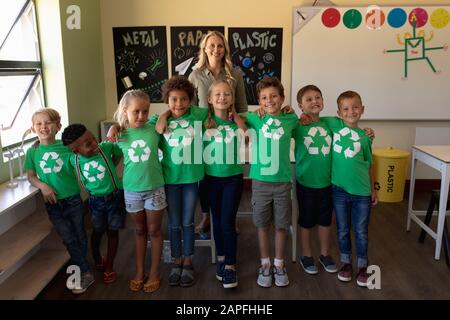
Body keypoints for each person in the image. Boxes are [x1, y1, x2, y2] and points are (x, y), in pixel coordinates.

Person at [24, 108, 94, 294]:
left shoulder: (65, 147)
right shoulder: (32, 152)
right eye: (39, 123)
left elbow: (81, 160)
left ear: (58, 126)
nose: (43, 127)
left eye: (48, 123)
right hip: (53, 204)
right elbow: (30, 176)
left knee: (79, 234)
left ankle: (82, 267)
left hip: (72, 200)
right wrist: (43, 186)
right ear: (33, 128)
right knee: (69, 238)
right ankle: (85, 270)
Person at [189, 31, 248, 234]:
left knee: (229, 175)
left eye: (220, 45)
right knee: (206, 178)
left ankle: (228, 219)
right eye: (212, 45)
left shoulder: (235, 74)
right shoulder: (195, 75)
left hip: (227, 133)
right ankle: (206, 217)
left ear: (225, 49)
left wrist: (238, 122)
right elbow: (191, 107)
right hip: (205, 132)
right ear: (204, 49)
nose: (216, 49)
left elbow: (241, 106)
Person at [152, 75, 209, 287]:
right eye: (173, 100)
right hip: (170, 179)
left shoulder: (198, 115)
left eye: (183, 99)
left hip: (191, 179)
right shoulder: (159, 122)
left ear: (190, 99)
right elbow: (136, 126)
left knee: (188, 222)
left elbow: (221, 110)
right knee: (174, 223)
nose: (179, 104)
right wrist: (163, 116)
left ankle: (188, 260)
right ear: (167, 100)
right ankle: (176, 261)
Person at [243, 77, 298, 288]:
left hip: (283, 182)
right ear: (259, 101)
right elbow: (234, 117)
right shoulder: (255, 118)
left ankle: (279, 264)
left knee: (282, 225)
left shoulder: (291, 119)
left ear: (282, 98)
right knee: (262, 225)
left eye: (274, 96)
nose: (269, 100)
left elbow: (304, 123)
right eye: (264, 97)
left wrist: (292, 111)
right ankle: (265, 264)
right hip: (260, 183)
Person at [113, 89, 167, 293]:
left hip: (155, 188)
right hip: (132, 191)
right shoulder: (120, 135)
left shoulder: (153, 127)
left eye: (145, 111)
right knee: (139, 230)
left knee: (154, 230)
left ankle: (154, 272)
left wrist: (165, 114)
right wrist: (113, 128)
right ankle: (139, 271)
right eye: (136, 111)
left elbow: (166, 113)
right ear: (125, 110)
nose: (141, 116)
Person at [322, 90, 378, 287]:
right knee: (343, 230)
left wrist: (373, 189)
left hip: (362, 192)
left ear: (362, 110)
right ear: (339, 112)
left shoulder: (365, 137)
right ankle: (346, 263)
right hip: (339, 190)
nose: (351, 112)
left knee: (361, 231)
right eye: (345, 109)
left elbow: (370, 164)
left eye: (355, 107)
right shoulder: (333, 126)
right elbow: (314, 117)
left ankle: (363, 265)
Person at [62, 124, 125, 284]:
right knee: (97, 231)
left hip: (115, 198)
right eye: (88, 144)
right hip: (95, 202)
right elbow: (55, 150)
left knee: (113, 232)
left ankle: (110, 266)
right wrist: (36, 145)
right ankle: (97, 257)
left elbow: (122, 146)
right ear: (75, 151)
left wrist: (115, 128)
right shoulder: (72, 159)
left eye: (94, 139)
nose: (95, 144)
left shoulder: (105, 148)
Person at [203, 80, 247, 288]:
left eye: (227, 94)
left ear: (232, 99)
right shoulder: (203, 121)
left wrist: (239, 120)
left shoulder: (238, 122)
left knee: (228, 222)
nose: (222, 97)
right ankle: (221, 257)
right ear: (210, 99)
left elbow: (248, 136)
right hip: (210, 180)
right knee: (217, 221)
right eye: (217, 94)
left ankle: (230, 265)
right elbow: (172, 113)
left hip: (232, 179)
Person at [293, 85, 338, 275]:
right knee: (306, 219)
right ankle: (306, 254)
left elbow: (351, 125)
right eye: (309, 99)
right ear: (300, 105)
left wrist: (368, 132)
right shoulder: (298, 124)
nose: (314, 101)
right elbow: (283, 119)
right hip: (306, 182)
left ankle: (325, 254)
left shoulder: (332, 123)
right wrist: (292, 113)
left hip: (328, 182)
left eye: (318, 97)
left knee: (325, 220)